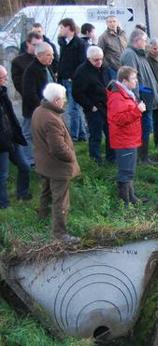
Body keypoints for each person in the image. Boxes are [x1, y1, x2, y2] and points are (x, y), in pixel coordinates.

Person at [32, 83, 81, 243]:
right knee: (61, 200)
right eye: (63, 99)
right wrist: (72, 157)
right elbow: (58, 148)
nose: (65, 102)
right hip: (57, 167)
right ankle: (60, 234)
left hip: (44, 163)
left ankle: (41, 220)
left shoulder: (39, 111)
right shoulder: (52, 119)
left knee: (45, 193)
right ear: (55, 100)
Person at [121, 29, 158, 165]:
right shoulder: (130, 55)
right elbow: (131, 79)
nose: (146, 44)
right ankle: (142, 158)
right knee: (144, 128)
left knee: (146, 128)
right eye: (145, 41)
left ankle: (144, 156)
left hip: (146, 99)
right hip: (141, 101)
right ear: (137, 40)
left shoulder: (139, 54)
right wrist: (137, 100)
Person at [107, 66, 146, 206]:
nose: (136, 81)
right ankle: (125, 202)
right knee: (125, 172)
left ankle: (131, 197)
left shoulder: (126, 93)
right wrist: (137, 110)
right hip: (124, 140)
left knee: (129, 171)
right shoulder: (117, 97)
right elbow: (118, 119)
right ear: (124, 81)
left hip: (129, 138)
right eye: (133, 78)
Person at [72, 46, 114, 164]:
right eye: (96, 60)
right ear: (89, 58)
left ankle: (111, 158)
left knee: (110, 132)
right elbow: (77, 93)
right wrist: (90, 106)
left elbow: (110, 83)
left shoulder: (104, 67)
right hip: (93, 107)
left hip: (106, 105)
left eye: (101, 59)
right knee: (95, 135)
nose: (99, 62)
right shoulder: (82, 71)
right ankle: (95, 160)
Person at [0, 66, 32, 209]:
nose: (6, 80)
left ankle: (22, 194)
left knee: (25, 166)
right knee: (3, 175)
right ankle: (4, 204)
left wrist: (17, 134)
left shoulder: (3, 93)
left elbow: (11, 117)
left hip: (12, 138)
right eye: (3, 77)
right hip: (2, 143)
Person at [21, 42, 56, 166]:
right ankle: (29, 161)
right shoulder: (31, 70)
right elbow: (30, 93)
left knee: (45, 135)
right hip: (34, 110)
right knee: (28, 134)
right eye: (48, 55)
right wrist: (41, 108)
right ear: (39, 55)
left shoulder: (47, 67)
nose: (52, 57)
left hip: (48, 109)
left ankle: (45, 158)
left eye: (52, 55)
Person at [11, 32, 42, 167]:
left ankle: (41, 158)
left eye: (39, 45)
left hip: (44, 101)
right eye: (35, 45)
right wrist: (32, 98)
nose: (37, 48)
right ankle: (28, 160)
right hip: (30, 102)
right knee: (27, 132)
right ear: (28, 44)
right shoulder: (19, 61)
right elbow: (19, 84)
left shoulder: (43, 58)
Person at [57, 18, 88, 141]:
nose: (60, 30)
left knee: (72, 108)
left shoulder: (79, 44)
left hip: (73, 80)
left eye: (62, 27)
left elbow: (82, 63)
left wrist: (73, 77)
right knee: (74, 108)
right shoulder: (63, 43)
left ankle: (74, 136)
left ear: (69, 28)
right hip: (64, 79)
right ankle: (81, 134)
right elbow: (62, 61)